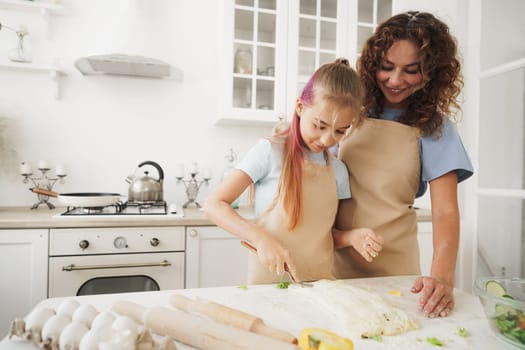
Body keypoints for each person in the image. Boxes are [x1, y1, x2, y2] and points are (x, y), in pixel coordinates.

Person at [334, 11, 473, 318]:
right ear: (372, 65)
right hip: (332, 257)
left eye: (411, 71)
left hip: (393, 267)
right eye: (386, 67)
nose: (395, 80)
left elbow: (445, 211)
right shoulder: (347, 111)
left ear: (433, 73)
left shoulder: (435, 129)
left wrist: (442, 278)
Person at [204, 58, 383, 284]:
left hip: (321, 287)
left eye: (340, 131)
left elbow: (324, 237)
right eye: (319, 125)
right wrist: (259, 238)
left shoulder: (338, 171)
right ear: (300, 107)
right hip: (268, 287)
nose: (327, 139)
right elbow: (214, 205)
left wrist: (350, 237)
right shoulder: (269, 151)